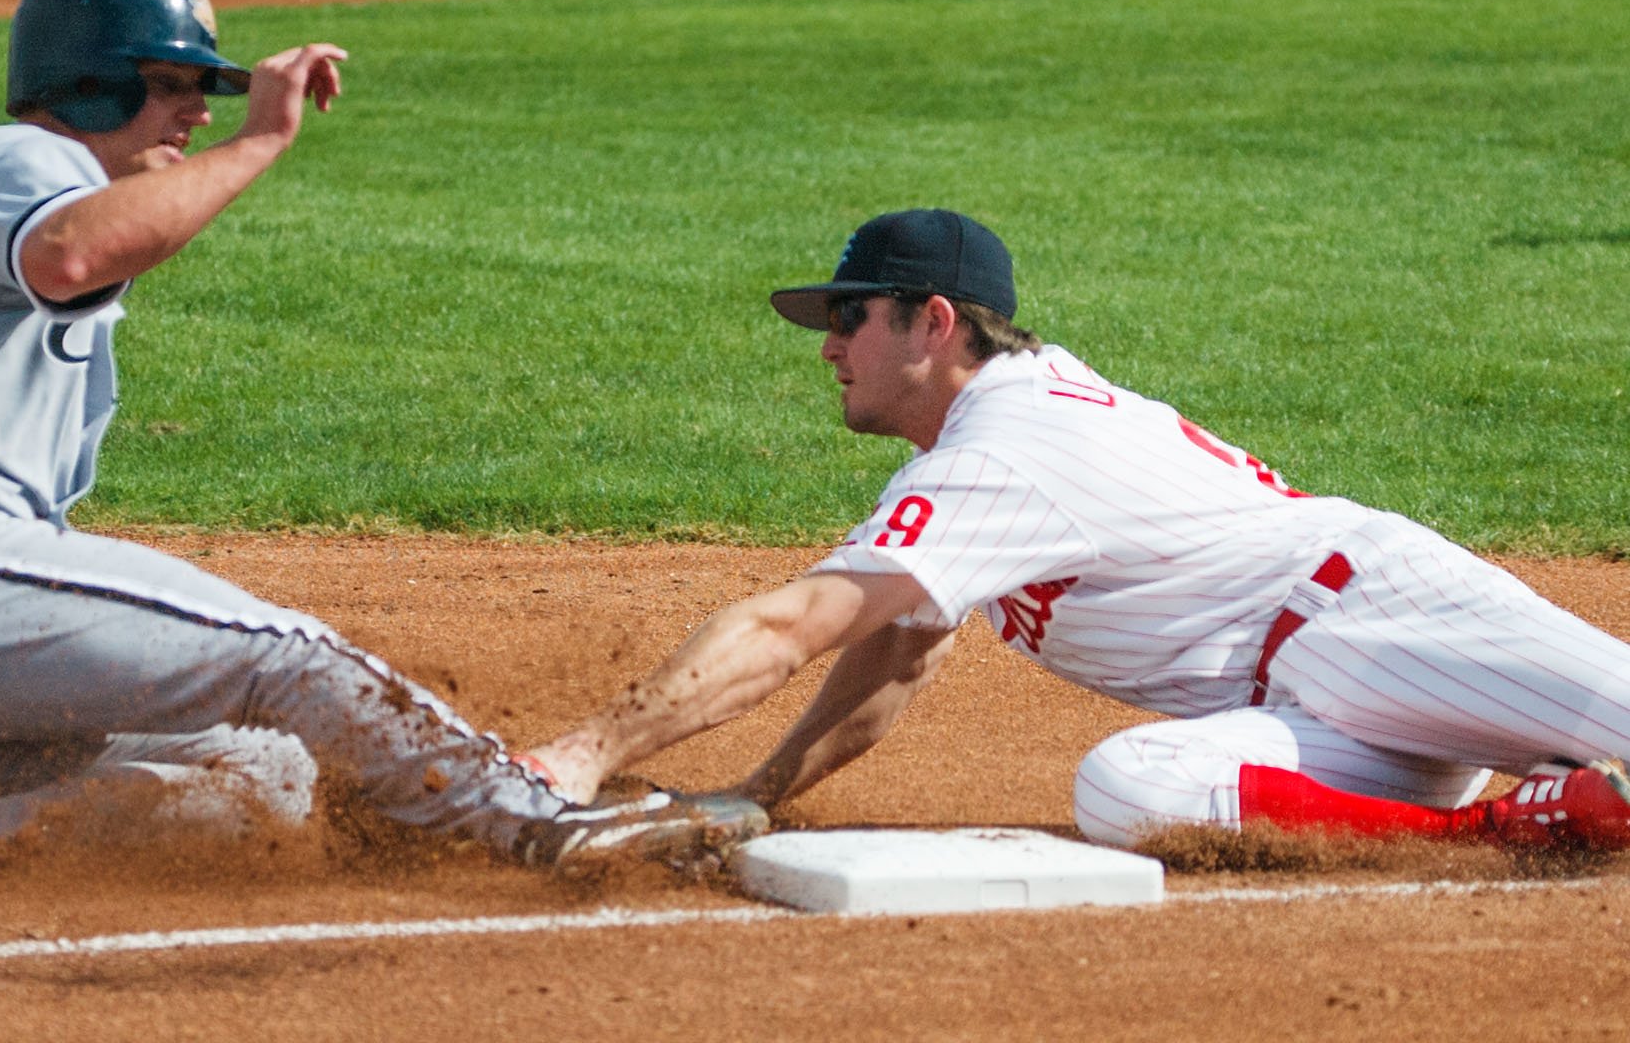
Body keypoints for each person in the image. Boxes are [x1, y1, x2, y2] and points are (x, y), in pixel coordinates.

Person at [0, 0, 765, 887]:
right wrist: (259, 141)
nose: (197, 112)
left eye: (204, 91)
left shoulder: (44, 200)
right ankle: (533, 817)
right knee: (286, 658)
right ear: (86, 82)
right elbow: (72, 254)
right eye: (169, 86)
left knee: (266, 773)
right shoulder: (18, 159)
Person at [528, 207, 1630, 854]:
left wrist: (584, 754)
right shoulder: (976, 453)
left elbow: (796, 623)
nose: (828, 346)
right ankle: (1510, 827)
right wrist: (759, 796)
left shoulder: (1006, 450)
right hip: (1312, 726)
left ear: (935, 322)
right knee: (1130, 791)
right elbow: (898, 649)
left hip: (1381, 621)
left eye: (849, 318)